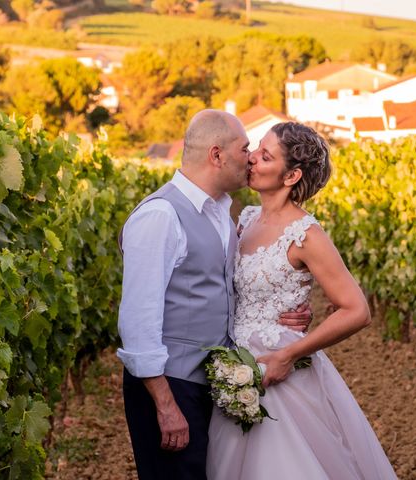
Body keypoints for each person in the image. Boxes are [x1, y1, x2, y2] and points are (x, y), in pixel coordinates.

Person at [116, 110, 311, 480]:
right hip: (170, 385)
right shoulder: (161, 216)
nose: (250, 157)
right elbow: (137, 322)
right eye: (245, 148)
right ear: (217, 155)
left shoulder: (223, 214)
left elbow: (232, 288)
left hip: (210, 384)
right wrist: (165, 403)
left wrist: (286, 311)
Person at [207, 122, 398, 479]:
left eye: (265, 156)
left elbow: (357, 310)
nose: (251, 160)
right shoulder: (246, 219)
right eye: (255, 150)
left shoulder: (305, 234)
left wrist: (289, 354)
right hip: (236, 365)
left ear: (291, 175)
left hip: (279, 368)